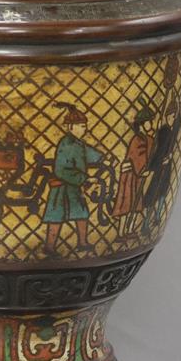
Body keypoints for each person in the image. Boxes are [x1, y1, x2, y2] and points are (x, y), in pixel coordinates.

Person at [43, 105, 103, 253]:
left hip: (74, 187)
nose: (85, 129)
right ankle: (49, 247)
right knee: (56, 216)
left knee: (81, 213)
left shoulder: (78, 143)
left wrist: (103, 159)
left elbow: (88, 153)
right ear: (70, 127)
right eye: (81, 126)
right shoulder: (66, 144)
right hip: (61, 188)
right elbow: (61, 170)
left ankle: (82, 242)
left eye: (85, 126)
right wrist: (85, 179)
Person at [112, 107, 156, 238]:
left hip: (138, 177)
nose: (151, 124)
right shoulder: (136, 140)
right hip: (130, 176)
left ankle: (130, 230)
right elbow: (135, 157)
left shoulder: (148, 139)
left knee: (137, 204)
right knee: (126, 204)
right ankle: (121, 232)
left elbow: (151, 153)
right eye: (148, 122)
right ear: (141, 124)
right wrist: (142, 171)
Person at [141, 94, 181, 234]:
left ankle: (157, 216)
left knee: (163, 192)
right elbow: (159, 151)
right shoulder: (164, 131)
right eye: (171, 116)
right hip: (159, 167)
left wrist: (169, 157)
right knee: (153, 194)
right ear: (167, 116)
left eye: (174, 117)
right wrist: (155, 165)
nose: (172, 119)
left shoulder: (171, 130)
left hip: (166, 166)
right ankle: (145, 223)